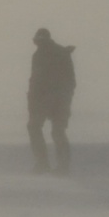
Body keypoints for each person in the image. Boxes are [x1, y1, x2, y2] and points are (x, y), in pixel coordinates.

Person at [26, 27, 77, 175]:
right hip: (52, 100)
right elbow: (35, 81)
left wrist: (64, 97)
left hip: (52, 100)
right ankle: (52, 165)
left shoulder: (49, 54)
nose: (39, 43)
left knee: (52, 131)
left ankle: (51, 165)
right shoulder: (55, 53)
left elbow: (70, 81)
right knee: (50, 130)